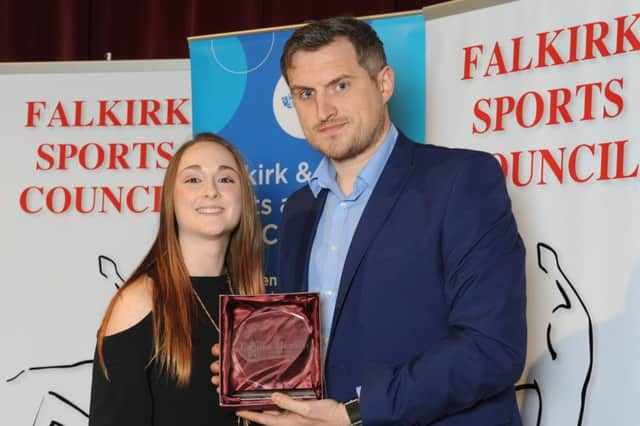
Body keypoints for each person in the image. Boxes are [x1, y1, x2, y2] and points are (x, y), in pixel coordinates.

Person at [232, 17, 527, 426]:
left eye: (340, 85)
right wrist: (252, 366)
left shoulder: (461, 180)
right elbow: (307, 350)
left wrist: (355, 413)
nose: (323, 110)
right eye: (305, 93)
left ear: (383, 83)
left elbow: (492, 347)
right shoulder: (299, 208)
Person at [89, 132, 264, 426]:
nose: (211, 191)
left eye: (226, 179)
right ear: (170, 198)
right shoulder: (140, 301)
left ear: (243, 198)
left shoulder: (256, 304)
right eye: (193, 179)